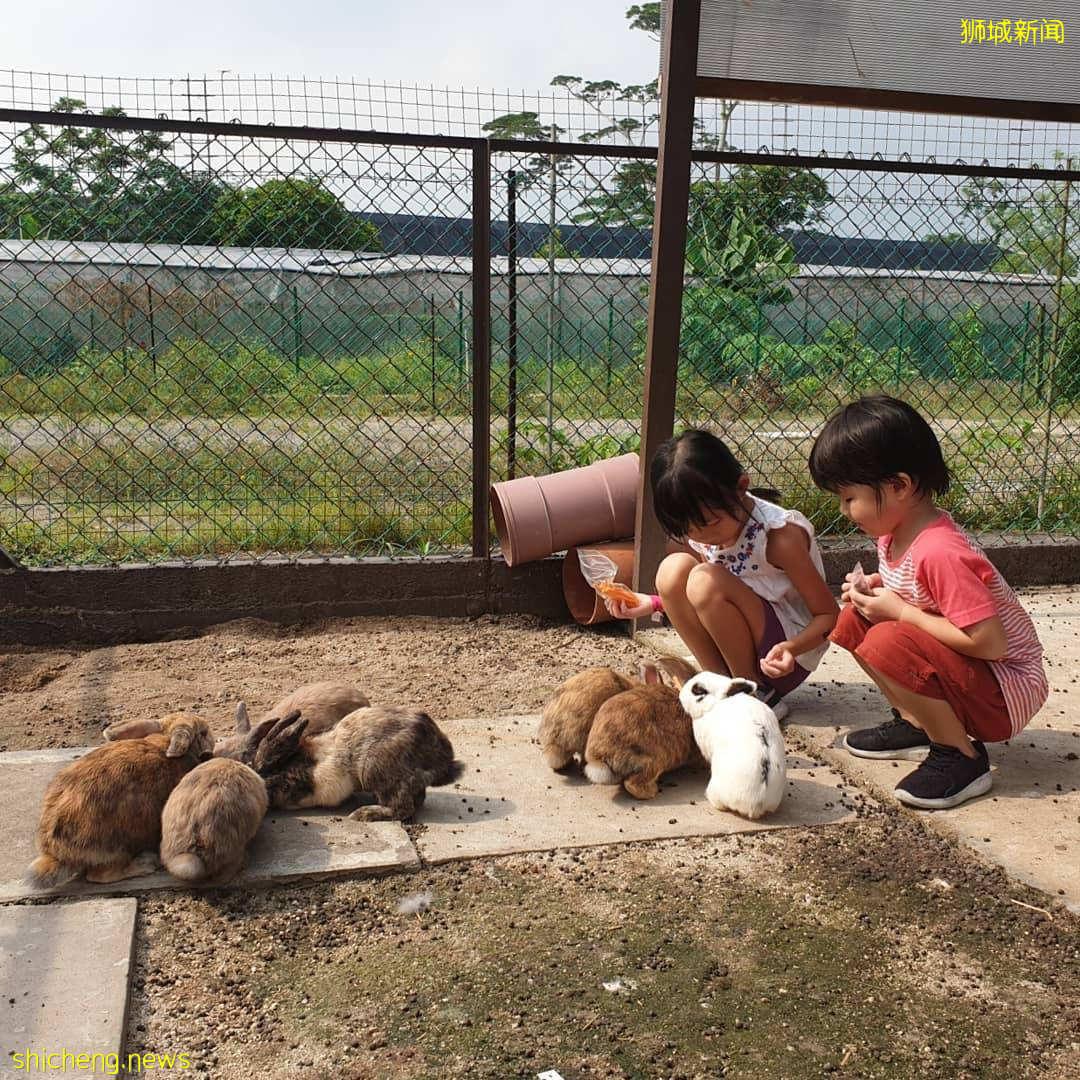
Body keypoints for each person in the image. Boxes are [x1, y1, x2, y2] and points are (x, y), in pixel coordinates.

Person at [809, 395, 1048, 809]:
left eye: (848, 497)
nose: (844, 510)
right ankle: (917, 724)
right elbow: (918, 590)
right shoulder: (897, 533)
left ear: (899, 486)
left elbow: (990, 644)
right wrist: (876, 588)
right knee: (854, 621)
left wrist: (901, 611)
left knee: (887, 640)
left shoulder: (940, 551)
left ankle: (961, 755)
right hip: (976, 675)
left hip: (1005, 690)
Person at [608, 429, 838, 719]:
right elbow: (715, 600)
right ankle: (720, 684)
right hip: (748, 636)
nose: (700, 536)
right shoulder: (711, 529)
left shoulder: (778, 537)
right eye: (687, 528)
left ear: (741, 487)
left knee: (704, 580)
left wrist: (792, 648)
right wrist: (653, 604)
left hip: (785, 656)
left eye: (709, 523)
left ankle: (753, 692)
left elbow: (830, 616)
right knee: (672, 570)